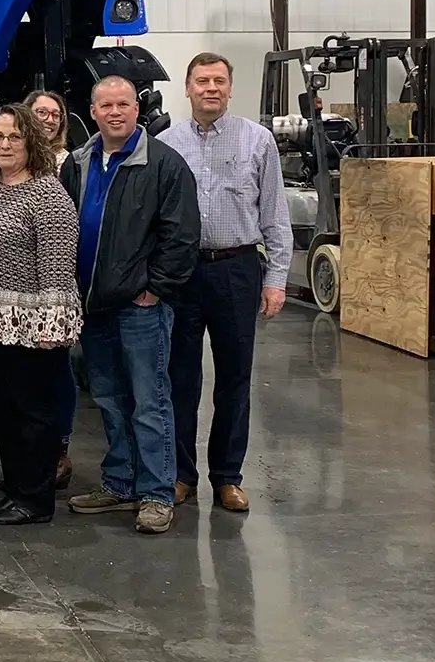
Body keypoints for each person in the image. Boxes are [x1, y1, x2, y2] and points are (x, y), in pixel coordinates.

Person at [61, 77, 200, 536]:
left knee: (150, 401)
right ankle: (119, 484)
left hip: (141, 307)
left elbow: (181, 237)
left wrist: (155, 289)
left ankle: (157, 494)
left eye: (123, 104)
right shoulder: (79, 163)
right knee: (108, 399)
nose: (115, 112)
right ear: (93, 111)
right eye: (106, 105)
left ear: (136, 110)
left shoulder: (164, 164)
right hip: (94, 305)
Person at [159, 52, 293, 514]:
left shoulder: (258, 141)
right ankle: (180, 475)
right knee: (180, 378)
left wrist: (276, 279)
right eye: (201, 81)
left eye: (219, 80)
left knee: (235, 378)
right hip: (182, 273)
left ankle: (227, 477)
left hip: (238, 268)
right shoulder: (166, 143)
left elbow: (275, 214)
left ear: (230, 88)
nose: (210, 88)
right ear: (188, 88)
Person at [0, 106, 83, 524]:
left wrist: (52, 325)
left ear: (32, 141)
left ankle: (35, 499)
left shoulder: (48, 195)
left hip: (31, 328)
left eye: (14, 137)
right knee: (3, 412)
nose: (5, 144)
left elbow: (58, 266)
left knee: (36, 415)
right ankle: (15, 489)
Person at [23, 87, 77, 485]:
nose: (47, 118)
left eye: (54, 114)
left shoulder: (68, 164)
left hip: (54, 281)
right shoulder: (9, 163)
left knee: (56, 368)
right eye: (39, 112)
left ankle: (59, 448)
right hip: (13, 288)